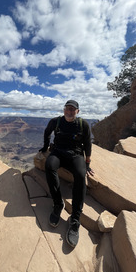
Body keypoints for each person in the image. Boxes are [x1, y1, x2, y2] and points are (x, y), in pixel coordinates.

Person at [39, 100, 94, 248]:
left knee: (81, 175)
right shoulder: (56, 122)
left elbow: (88, 143)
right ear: (64, 110)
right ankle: (58, 204)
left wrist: (87, 163)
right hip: (57, 152)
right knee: (49, 166)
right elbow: (47, 132)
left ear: (77, 111)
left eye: (72, 110)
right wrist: (45, 147)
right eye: (67, 109)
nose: (69, 112)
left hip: (75, 155)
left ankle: (75, 219)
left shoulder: (83, 124)